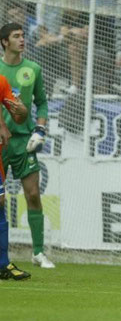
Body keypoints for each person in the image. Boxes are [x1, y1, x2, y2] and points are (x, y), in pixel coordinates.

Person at [0, 22, 55, 269]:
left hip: (23, 140)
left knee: (33, 194)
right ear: (4, 42)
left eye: (23, 36)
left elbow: (42, 103)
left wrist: (40, 128)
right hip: (0, 141)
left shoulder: (33, 69)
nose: (22, 40)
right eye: (16, 36)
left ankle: (38, 252)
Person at [0, 68, 30, 280]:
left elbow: (18, 117)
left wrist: (22, 111)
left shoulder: (1, 82)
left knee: (0, 202)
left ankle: (3, 264)